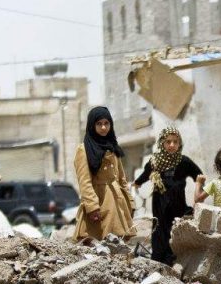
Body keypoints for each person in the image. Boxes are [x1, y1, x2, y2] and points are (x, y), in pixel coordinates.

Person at [134, 127, 202, 265]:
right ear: (162, 143)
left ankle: (175, 262)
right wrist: (136, 184)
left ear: (179, 143)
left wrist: (199, 192)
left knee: (175, 231)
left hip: (178, 205)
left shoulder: (183, 161)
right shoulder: (155, 161)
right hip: (160, 205)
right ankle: (159, 262)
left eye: (175, 142)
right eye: (168, 141)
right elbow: (144, 175)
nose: (172, 145)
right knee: (159, 231)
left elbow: (199, 175)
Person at [73, 106, 136, 242]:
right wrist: (92, 207)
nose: (103, 127)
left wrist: (130, 202)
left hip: (117, 202)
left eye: (106, 123)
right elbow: (84, 181)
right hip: (99, 203)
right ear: (92, 125)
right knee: (97, 244)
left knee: (118, 244)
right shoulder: (83, 150)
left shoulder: (112, 147)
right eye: (99, 124)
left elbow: (121, 178)